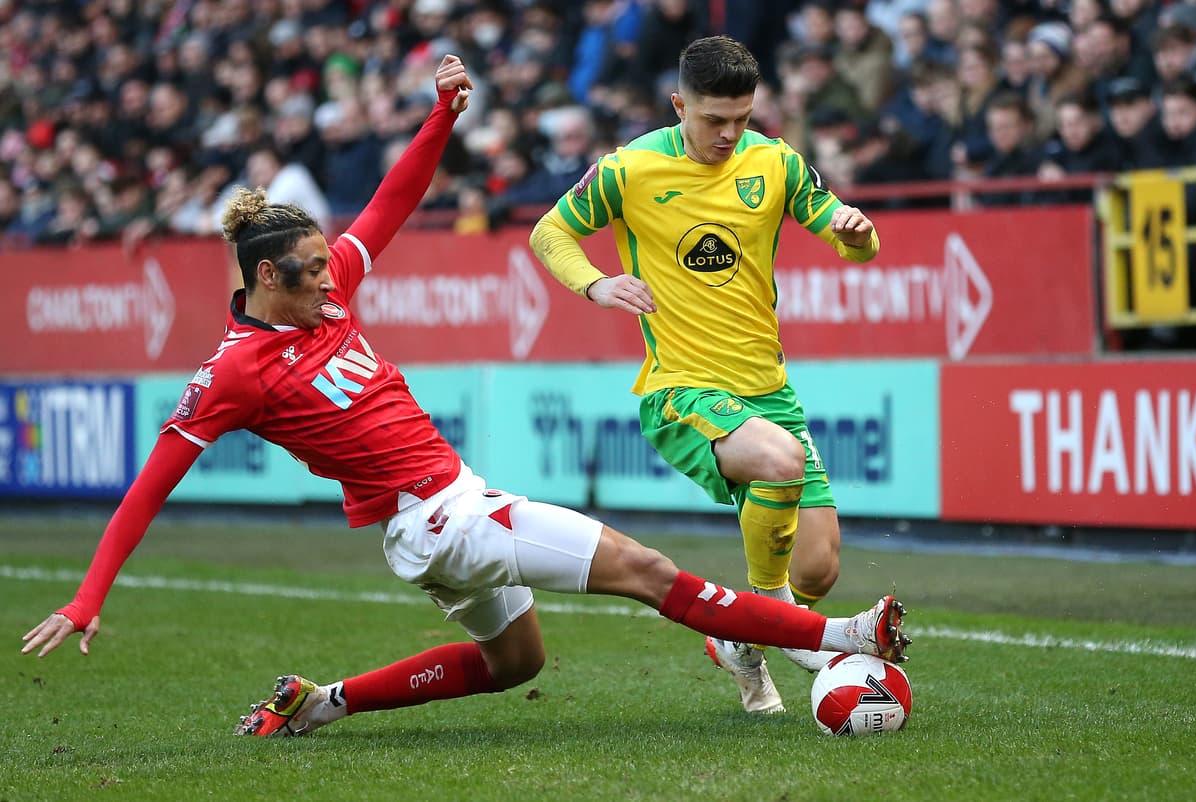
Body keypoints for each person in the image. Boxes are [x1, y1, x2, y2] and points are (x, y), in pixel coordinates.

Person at [19, 55, 910, 738]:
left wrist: (441, 115)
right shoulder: (234, 372)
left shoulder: (327, 289)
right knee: (650, 572)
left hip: (425, 524)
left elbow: (392, 202)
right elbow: (152, 481)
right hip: (445, 513)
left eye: (332, 268)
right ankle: (837, 638)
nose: (334, 283)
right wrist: (90, 595)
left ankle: (321, 704)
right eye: (311, 274)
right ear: (263, 277)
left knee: (512, 664)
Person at [529, 36, 907, 716]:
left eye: (742, 117)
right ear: (680, 105)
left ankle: (740, 642)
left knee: (818, 567)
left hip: (769, 390)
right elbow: (550, 233)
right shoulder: (630, 168)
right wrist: (595, 283)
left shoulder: (774, 161)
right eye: (713, 120)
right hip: (680, 389)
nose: (729, 133)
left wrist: (857, 234)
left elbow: (851, 240)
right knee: (780, 461)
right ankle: (774, 616)